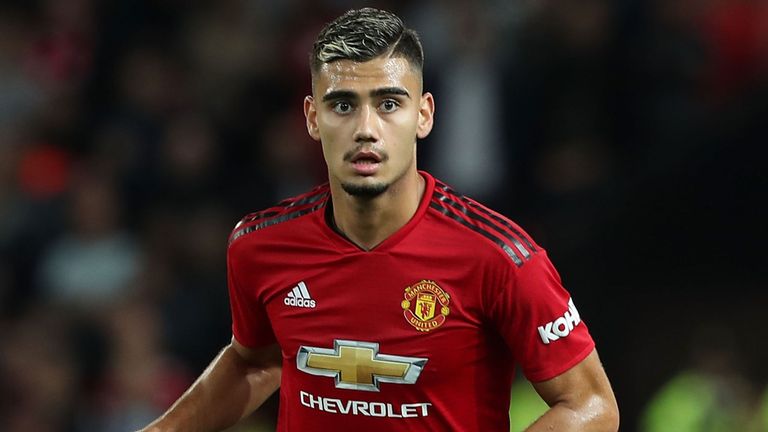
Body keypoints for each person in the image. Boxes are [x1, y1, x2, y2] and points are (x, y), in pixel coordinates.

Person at [140, 8, 619, 432]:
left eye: (389, 104)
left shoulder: (500, 257)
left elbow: (591, 405)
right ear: (312, 118)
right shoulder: (259, 245)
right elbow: (254, 362)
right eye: (342, 105)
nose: (366, 129)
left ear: (424, 115)